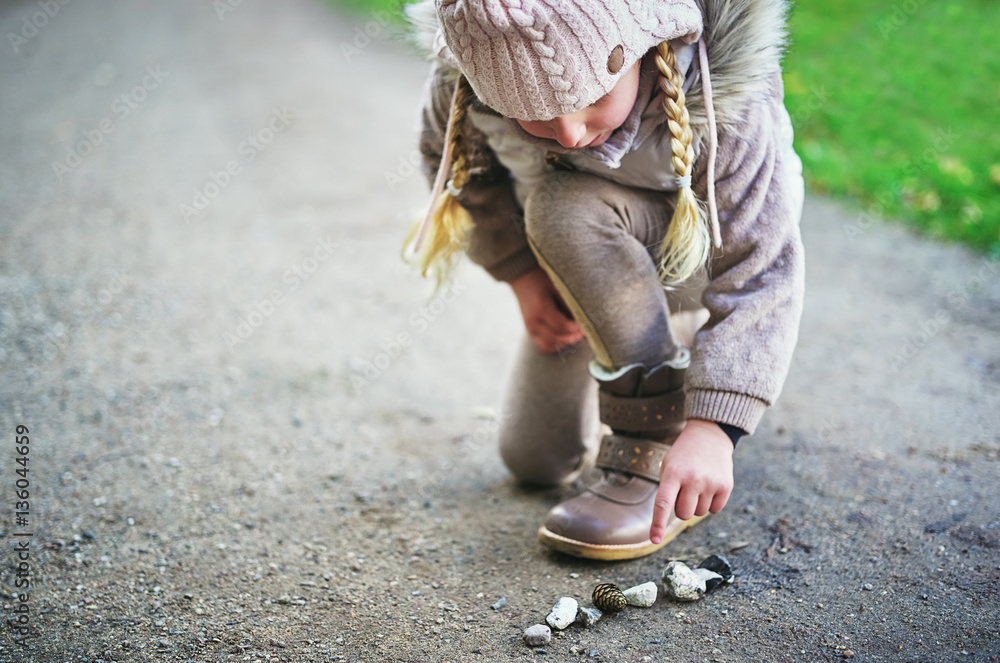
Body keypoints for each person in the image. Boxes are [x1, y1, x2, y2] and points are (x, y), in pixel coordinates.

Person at [405, 0, 805, 560]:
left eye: (592, 99)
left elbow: (760, 268)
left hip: (696, 256)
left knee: (564, 208)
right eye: (537, 115)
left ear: (643, 45)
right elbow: (460, 180)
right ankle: (654, 347)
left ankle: (653, 435)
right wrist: (524, 278)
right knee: (534, 460)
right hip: (583, 269)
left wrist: (715, 428)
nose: (569, 135)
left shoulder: (725, 93)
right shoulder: (472, 75)